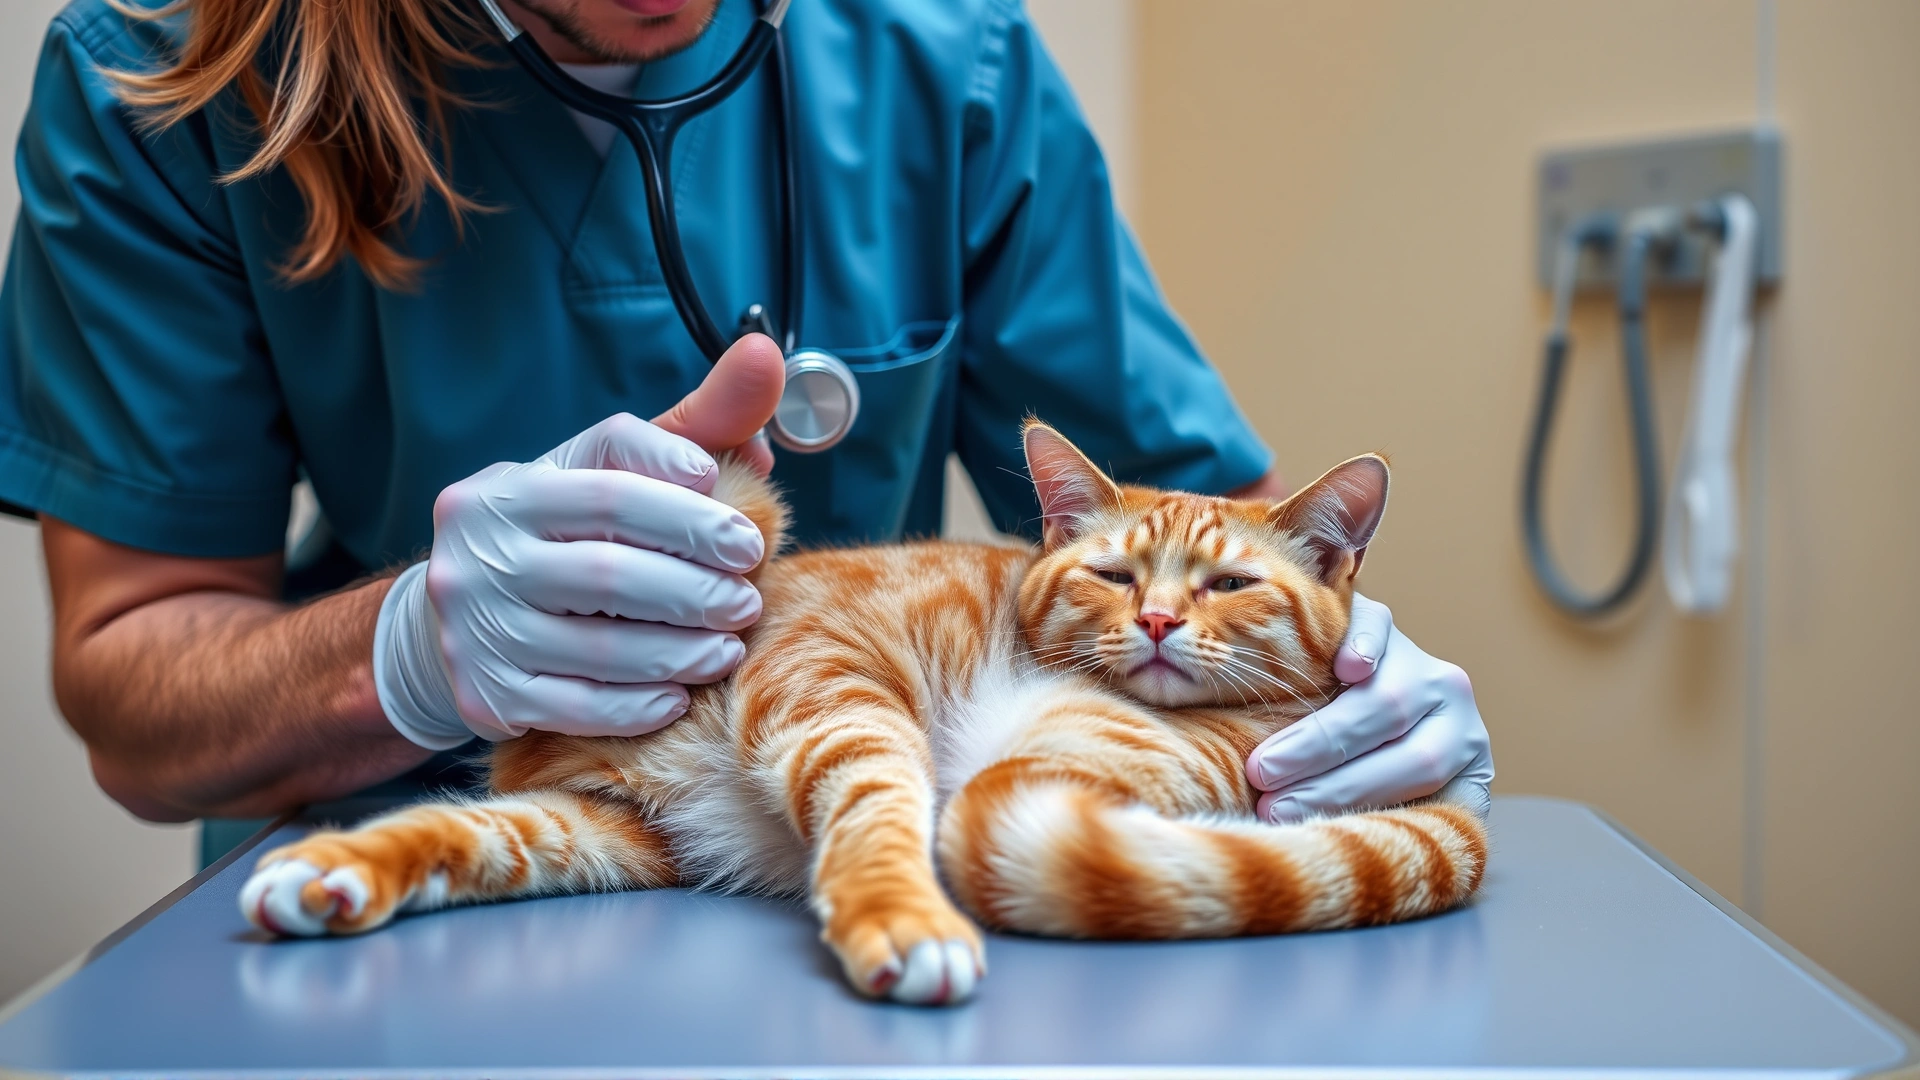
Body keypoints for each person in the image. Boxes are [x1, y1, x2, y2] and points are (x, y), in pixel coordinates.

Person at [0, 0, 1492, 859]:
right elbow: (138, 693)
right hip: (428, 872)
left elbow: (1208, 534)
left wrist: (1359, 687)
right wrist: (402, 656)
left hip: (870, 868)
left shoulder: (939, 61)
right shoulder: (161, 74)